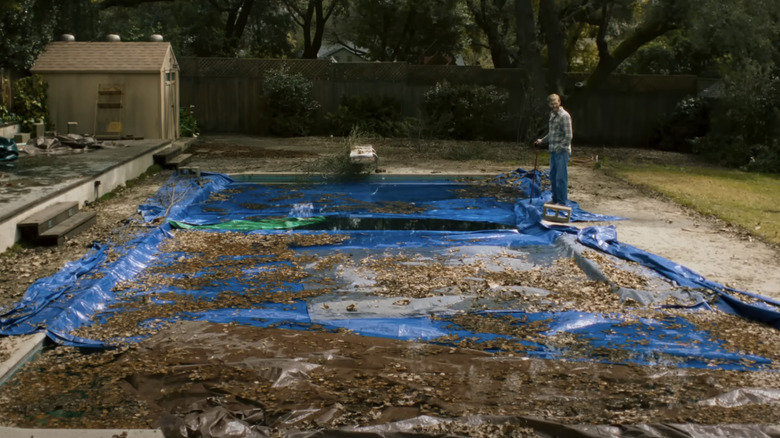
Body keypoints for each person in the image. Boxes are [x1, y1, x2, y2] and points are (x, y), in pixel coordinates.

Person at [535, 93, 573, 205]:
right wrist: (542, 140)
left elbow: (569, 136)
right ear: (549, 104)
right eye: (552, 104)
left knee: (561, 178)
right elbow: (552, 133)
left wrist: (559, 147)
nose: (554, 106)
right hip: (553, 151)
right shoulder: (552, 115)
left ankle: (562, 202)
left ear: (559, 102)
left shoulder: (564, 116)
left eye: (555, 103)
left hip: (562, 152)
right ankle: (555, 199)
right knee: (553, 177)